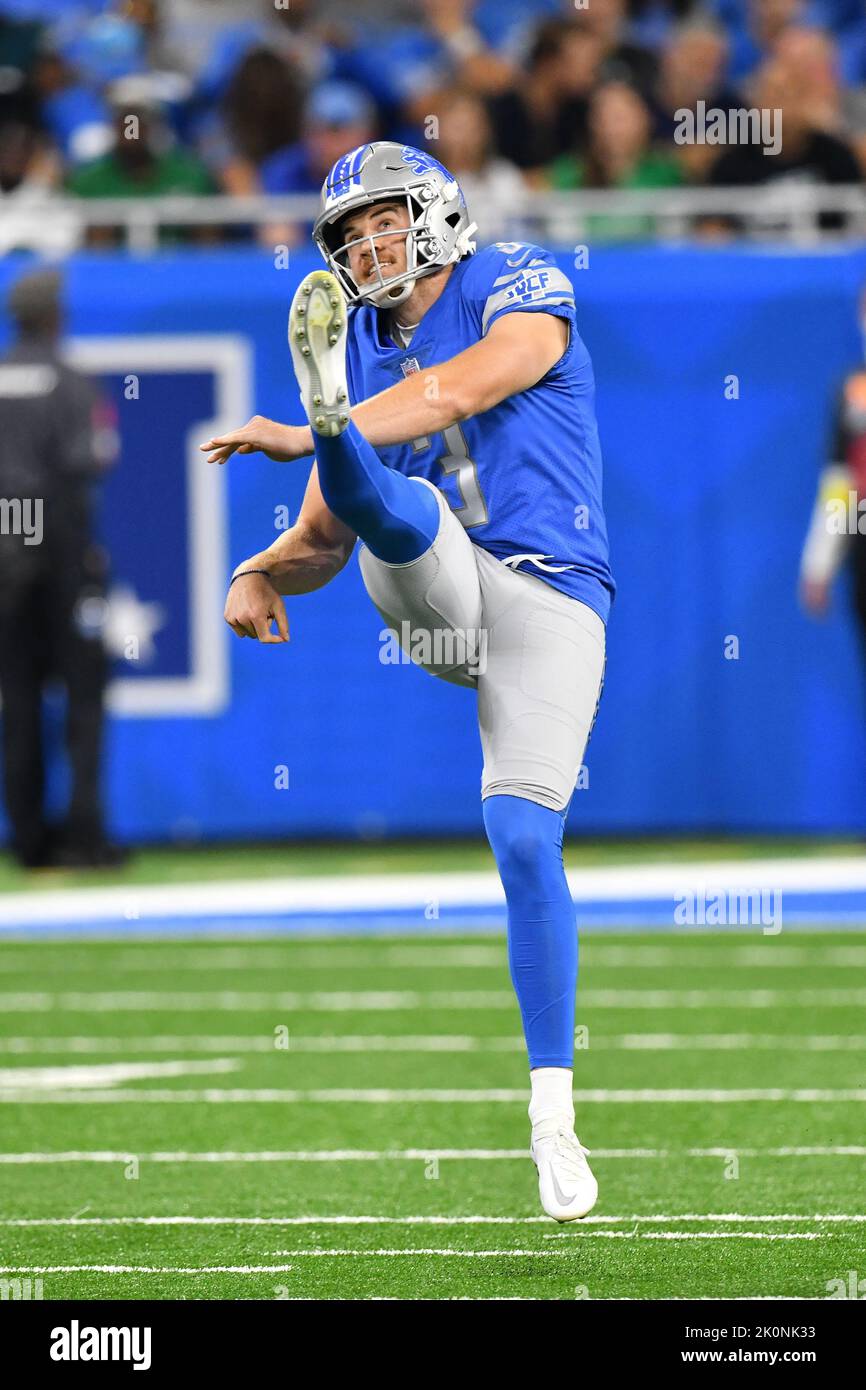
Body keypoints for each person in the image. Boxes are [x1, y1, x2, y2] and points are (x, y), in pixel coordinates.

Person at [201, 142, 615, 1222]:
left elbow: (470, 382)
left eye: (382, 222)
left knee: (524, 842)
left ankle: (551, 1116)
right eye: (348, 235)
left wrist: (311, 433)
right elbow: (325, 538)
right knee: (403, 515)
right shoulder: (370, 346)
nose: (366, 246)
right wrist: (258, 566)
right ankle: (330, 416)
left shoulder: (514, 279)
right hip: (436, 588)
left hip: (553, 598)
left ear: (433, 212)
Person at [0, 268, 126, 869]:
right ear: (54, 315)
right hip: (59, 546)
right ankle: (85, 834)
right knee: (83, 695)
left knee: (18, 698)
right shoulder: (72, 384)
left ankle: (27, 840)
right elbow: (88, 462)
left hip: (4, 552)